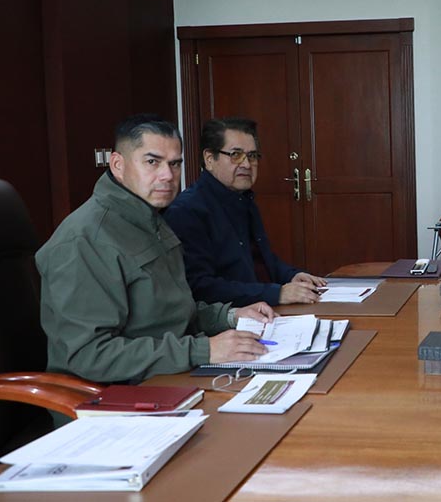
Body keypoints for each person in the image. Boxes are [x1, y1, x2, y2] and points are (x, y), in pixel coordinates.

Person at [36, 115, 276, 384]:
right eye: (152, 162)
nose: (168, 176)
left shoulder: (152, 219)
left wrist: (229, 316)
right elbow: (88, 355)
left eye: (175, 164)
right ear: (118, 165)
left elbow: (172, 314)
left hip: (172, 374)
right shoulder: (84, 239)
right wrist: (203, 350)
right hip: (115, 395)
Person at [164, 118, 326, 307]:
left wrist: (292, 276)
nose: (247, 165)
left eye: (252, 156)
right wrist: (277, 293)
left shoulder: (243, 199)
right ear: (209, 159)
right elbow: (201, 287)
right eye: (236, 155)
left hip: (263, 307)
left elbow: (260, 259)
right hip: (229, 318)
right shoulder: (186, 211)